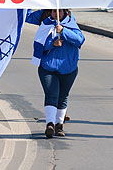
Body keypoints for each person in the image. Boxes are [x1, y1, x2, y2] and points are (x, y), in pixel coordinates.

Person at [32, 9, 85, 138]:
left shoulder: (71, 24)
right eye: (54, 12)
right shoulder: (45, 25)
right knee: (51, 94)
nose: (56, 14)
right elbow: (39, 46)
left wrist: (63, 31)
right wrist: (52, 44)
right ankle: (50, 124)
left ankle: (59, 125)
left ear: (65, 12)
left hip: (69, 68)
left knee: (63, 96)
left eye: (59, 12)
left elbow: (80, 40)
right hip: (48, 68)